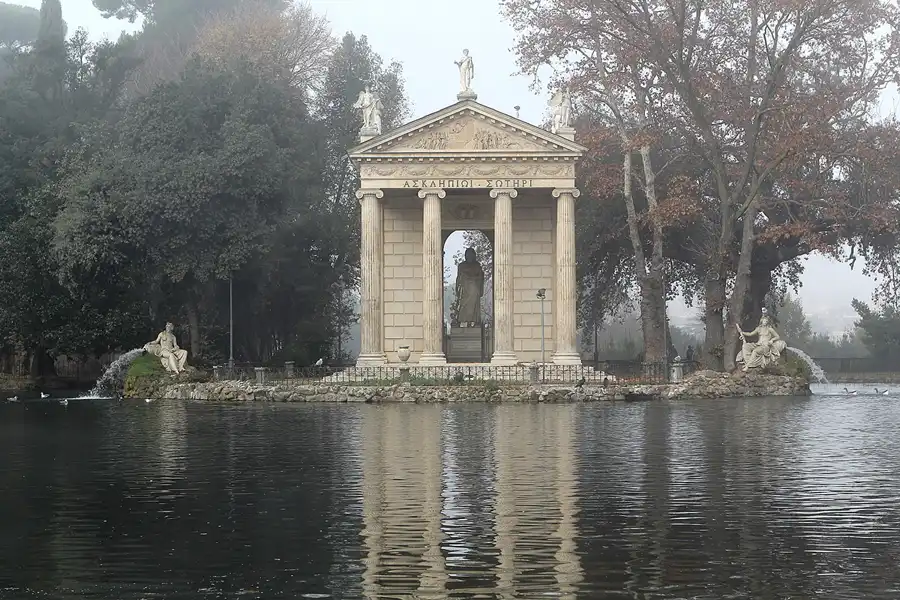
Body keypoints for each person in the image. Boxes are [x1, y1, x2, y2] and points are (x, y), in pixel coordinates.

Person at [455, 248, 484, 327]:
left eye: (471, 255)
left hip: (474, 289)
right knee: (464, 305)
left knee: (474, 297)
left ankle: (473, 321)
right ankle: (463, 320)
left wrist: (479, 287)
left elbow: (481, 277)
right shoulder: (462, 266)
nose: (470, 256)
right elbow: (459, 278)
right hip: (465, 290)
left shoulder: (477, 265)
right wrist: (457, 289)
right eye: (468, 254)